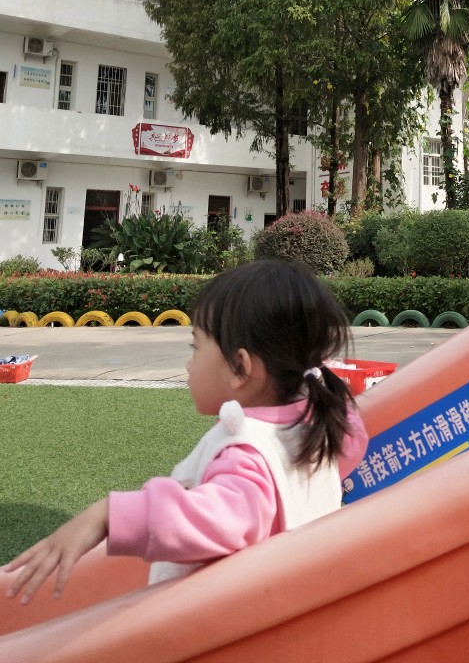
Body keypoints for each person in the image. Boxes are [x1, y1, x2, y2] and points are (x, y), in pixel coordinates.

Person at [4, 259, 368, 604]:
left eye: (196, 346)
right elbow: (354, 435)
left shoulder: (250, 455)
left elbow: (219, 517)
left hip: (223, 628)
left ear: (240, 368)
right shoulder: (319, 424)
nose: (189, 364)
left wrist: (108, 514)